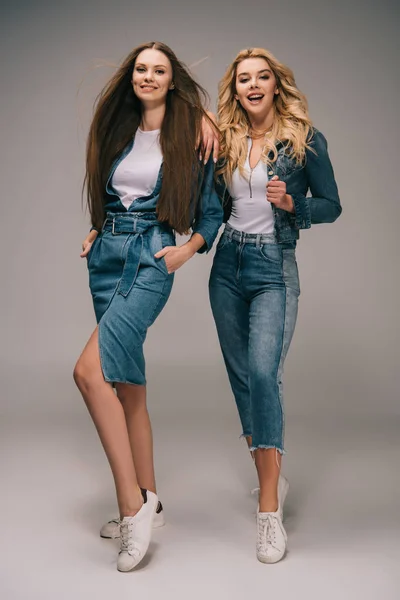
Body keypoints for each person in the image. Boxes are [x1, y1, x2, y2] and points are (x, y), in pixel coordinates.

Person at [74, 41, 223, 572]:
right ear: (131, 77)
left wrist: (186, 250)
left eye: (160, 70)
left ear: (172, 79)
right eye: (142, 68)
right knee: (127, 385)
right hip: (108, 256)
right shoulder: (117, 130)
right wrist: (96, 227)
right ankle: (152, 498)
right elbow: (110, 194)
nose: (149, 76)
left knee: (90, 373)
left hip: (148, 259)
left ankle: (131, 508)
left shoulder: (193, 135)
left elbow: (211, 209)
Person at [208, 47, 342, 564]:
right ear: (236, 89)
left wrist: (294, 204)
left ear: (276, 84)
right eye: (244, 78)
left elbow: (332, 204)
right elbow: (209, 205)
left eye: (263, 76)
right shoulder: (224, 141)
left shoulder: (304, 140)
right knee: (243, 377)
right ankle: (274, 479)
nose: (254, 84)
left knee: (265, 375)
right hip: (227, 267)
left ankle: (268, 510)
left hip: (273, 268)